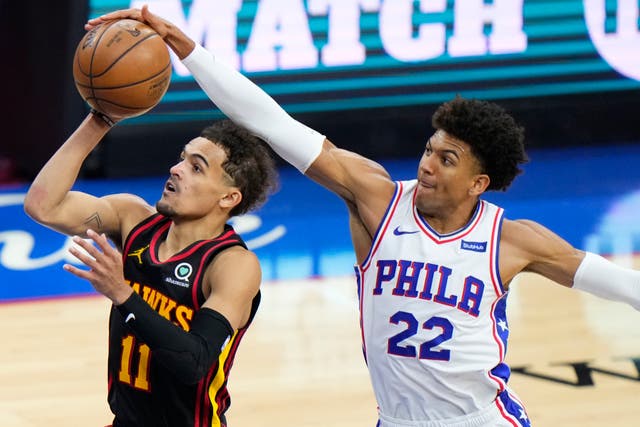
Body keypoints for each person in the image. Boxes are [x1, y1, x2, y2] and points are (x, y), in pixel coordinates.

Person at [87, 6, 640, 427]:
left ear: (479, 183)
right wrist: (189, 48)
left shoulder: (512, 240)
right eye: (429, 149)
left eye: (447, 160)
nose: (426, 165)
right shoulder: (376, 198)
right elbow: (272, 123)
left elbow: (608, 278)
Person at [23, 112, 278, 425]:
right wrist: (99, 121)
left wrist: (122, 293)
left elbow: (193, 362)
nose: (176, 169)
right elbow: (42, 206)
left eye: (196, 167)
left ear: (228, 197)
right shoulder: (132, 219)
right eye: (182, 158)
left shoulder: (232, 265)